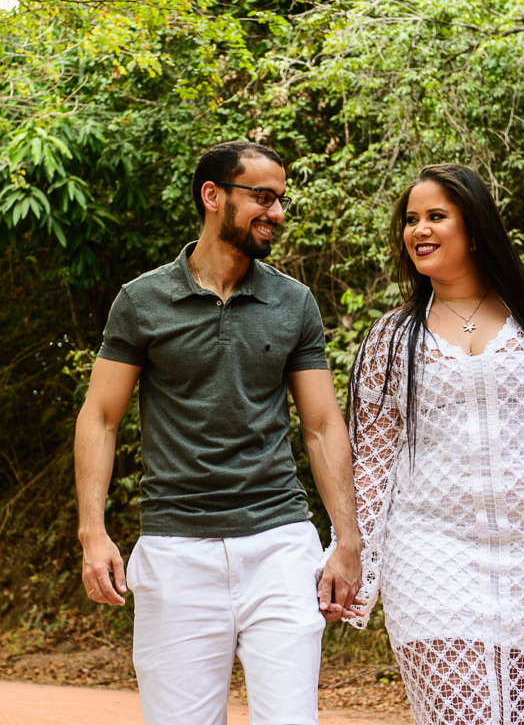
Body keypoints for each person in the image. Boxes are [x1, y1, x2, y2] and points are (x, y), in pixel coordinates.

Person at [74, 141, 363, 725]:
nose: (277, 212)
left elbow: (322, 424)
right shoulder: (142, 301)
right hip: (175, 549)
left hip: (279, 543)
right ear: (213, 196)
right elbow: (100, 416)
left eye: (280, 199)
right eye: (263, 198)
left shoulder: (293, 302)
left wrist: (348, 540)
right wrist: (93, 533)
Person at [345, 164, 524, 725]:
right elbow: (371, 459)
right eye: (411, 220)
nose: (419, 230)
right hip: (429, 548)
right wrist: (351, 550)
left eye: (435, 216)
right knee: (459, 711)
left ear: (474, 228)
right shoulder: (392, 337)